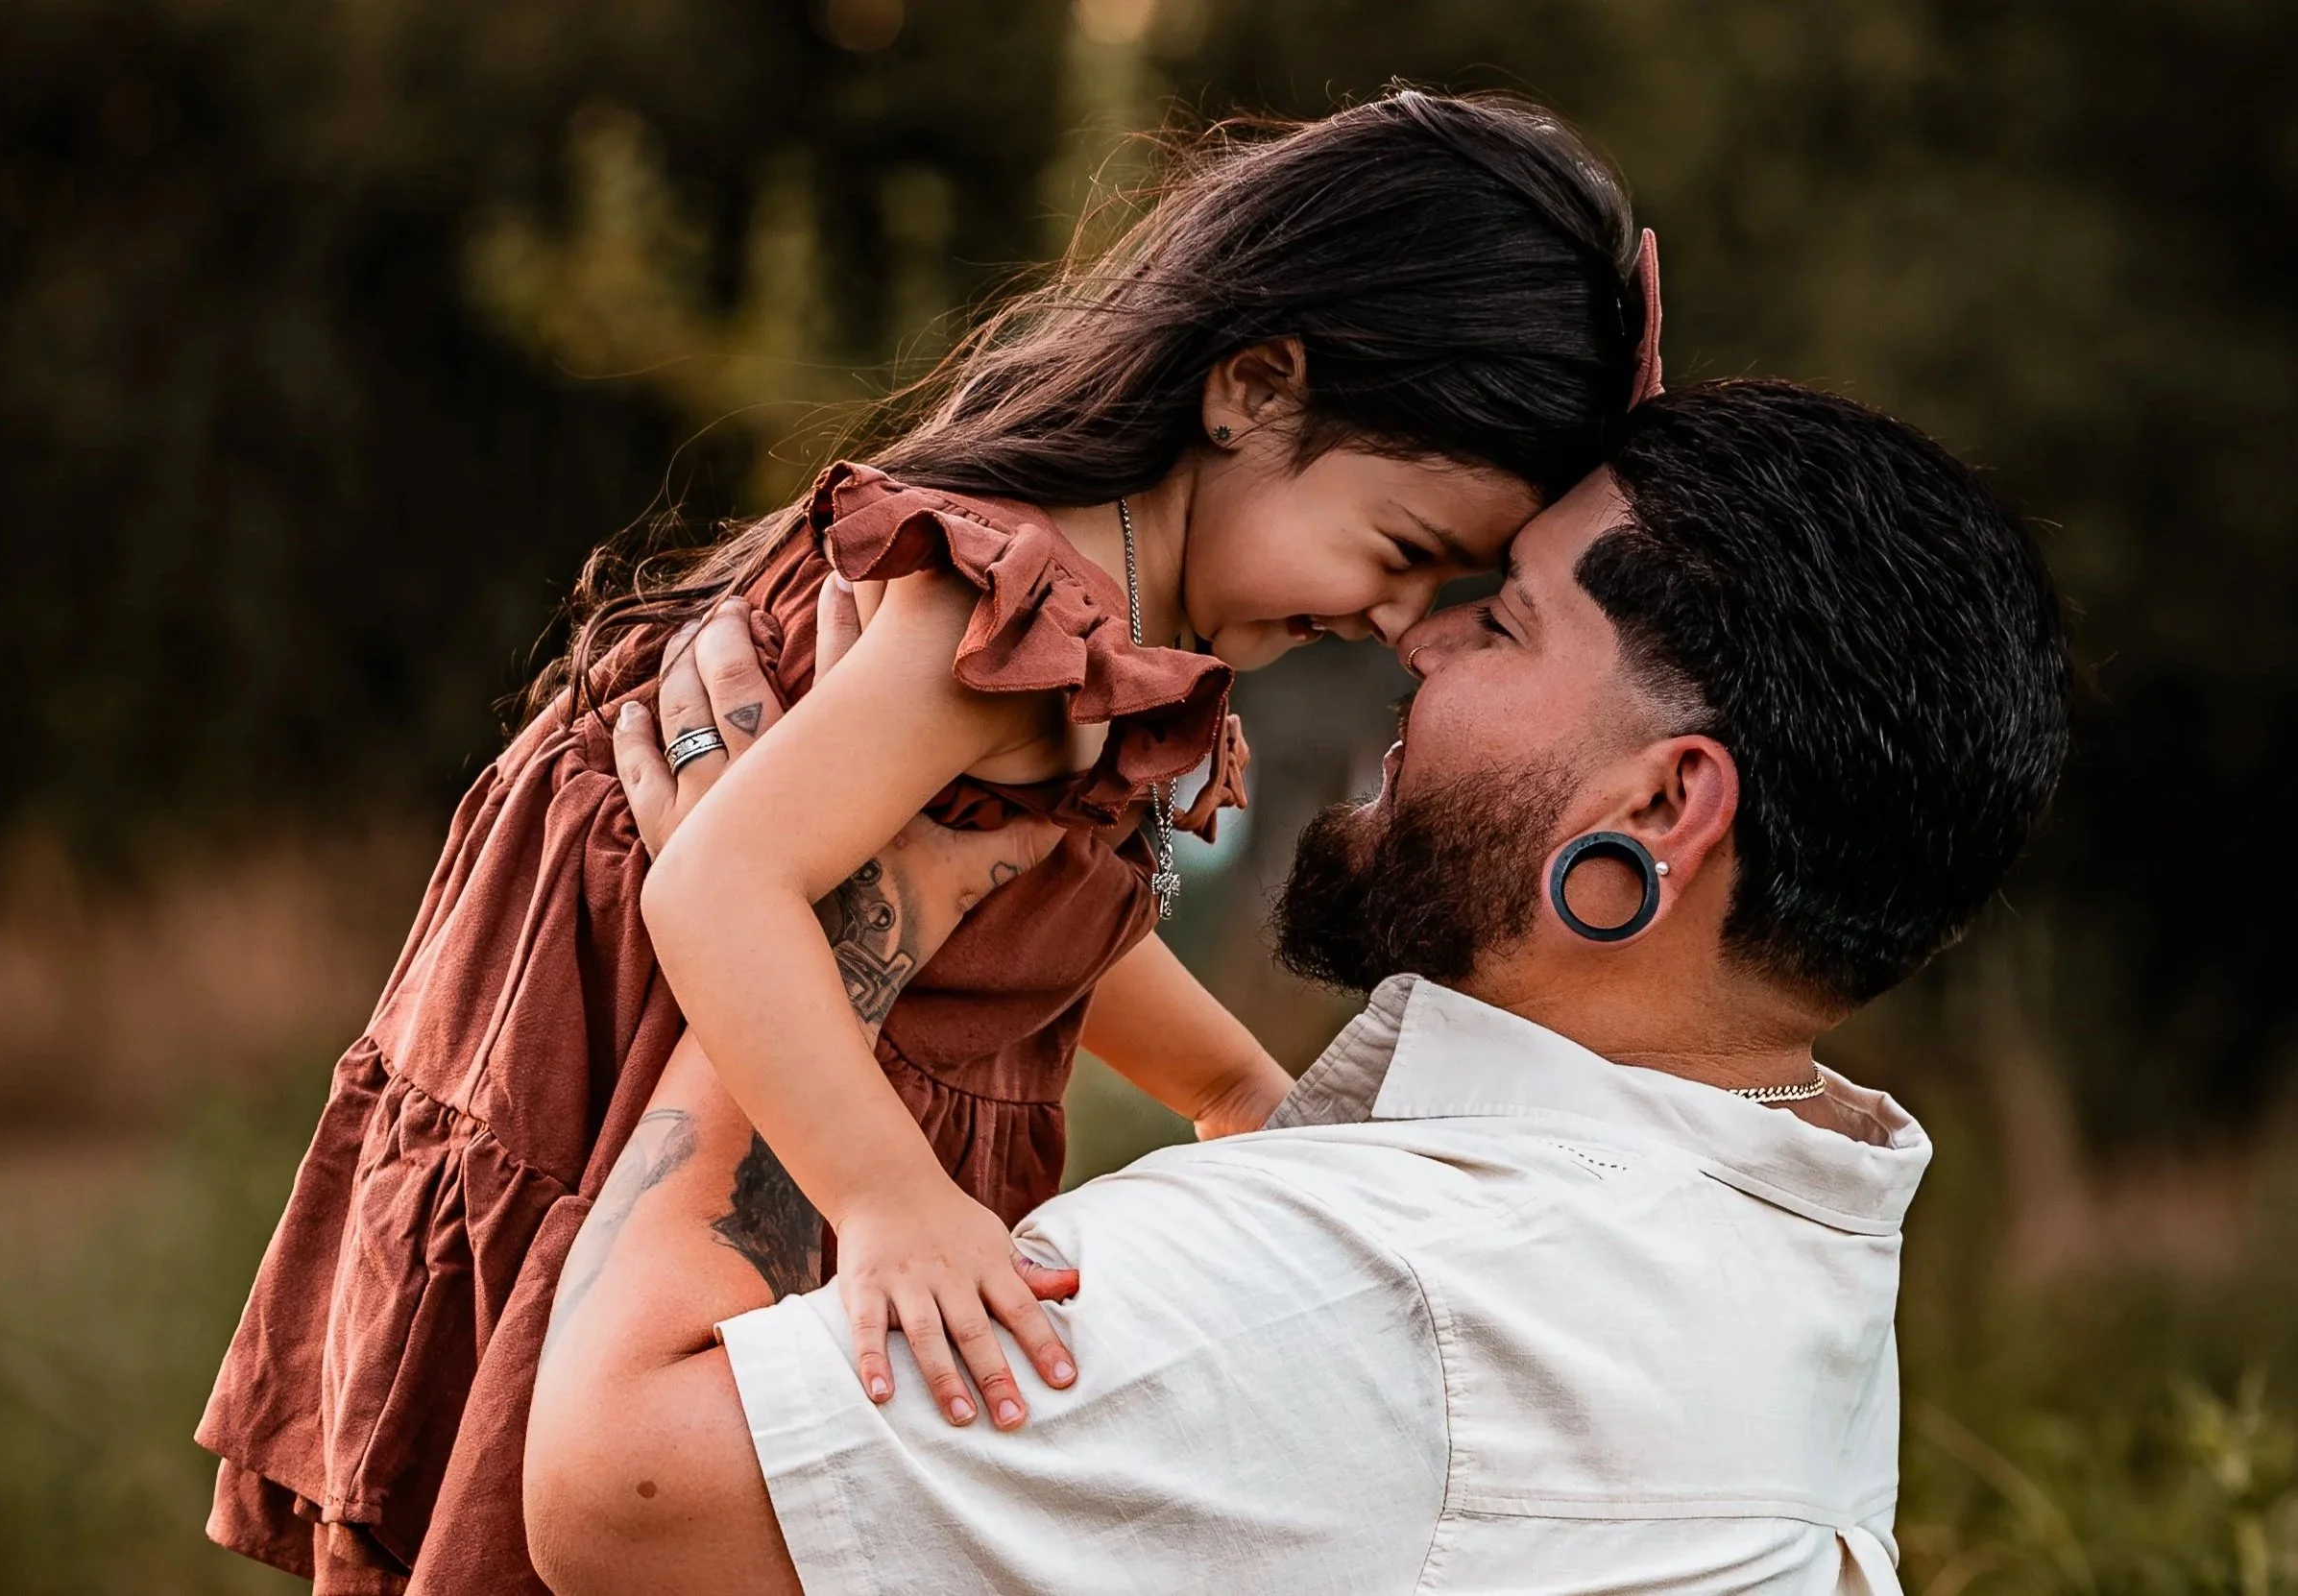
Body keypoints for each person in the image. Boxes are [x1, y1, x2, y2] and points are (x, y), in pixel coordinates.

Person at [198, 90, 1660, 1591]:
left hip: (799, 1082)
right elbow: (721, 878)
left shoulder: (1113, 631)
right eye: (1404, 551)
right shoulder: (1007, 599)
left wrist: (1229, 1084)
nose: (1395, 618)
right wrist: (887, 1195)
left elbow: (1029, 910)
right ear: (1253, 388)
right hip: (692, 1071)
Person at [523, 377, 2074, 1595]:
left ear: (1665, 808)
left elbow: (620, 1493)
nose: (1418, 642)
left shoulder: (1362, 1293)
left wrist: (839, 899)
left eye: (1505, 619)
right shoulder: (1781, 1254)